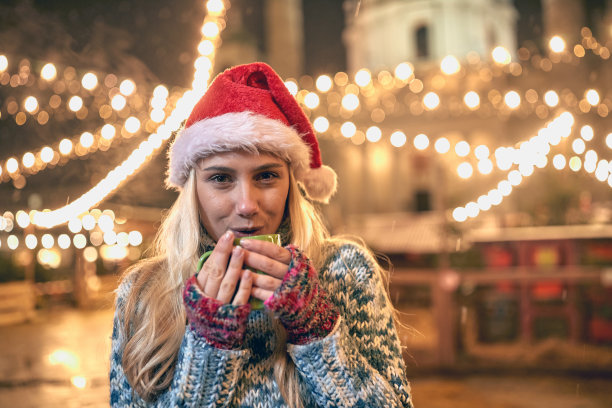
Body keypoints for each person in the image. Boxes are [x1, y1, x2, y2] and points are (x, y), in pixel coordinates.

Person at [109, 62, 414, 408]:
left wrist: (318, 332)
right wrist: (209, 350)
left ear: (291, 184)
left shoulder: (343, 270)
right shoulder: (143, 291)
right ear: (193, 189)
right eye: (221, 178)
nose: (246, 205)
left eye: (266, 176)